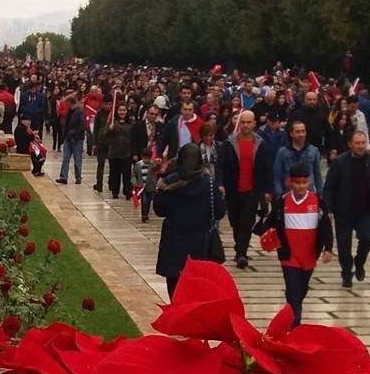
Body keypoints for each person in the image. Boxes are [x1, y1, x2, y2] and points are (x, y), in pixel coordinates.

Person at [260, 160, 333, 326]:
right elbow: (270, 222)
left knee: (302, 288)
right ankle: (295, 318)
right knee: (293, 289)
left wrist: (328, 248)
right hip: (288, 255)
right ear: (290, 182)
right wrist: (267, 235)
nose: (300, 186)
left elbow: (326, 227)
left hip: (309, 254)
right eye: (297, 182)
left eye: (304, 182)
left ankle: (294, 307)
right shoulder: (282, 202)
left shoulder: (318, 202)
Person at [153, 142, 227, 298]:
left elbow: (159, 210)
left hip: (174, 244)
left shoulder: (169, 182)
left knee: (175, 293)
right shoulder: (209, 184)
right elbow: (219, 212)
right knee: (198, 292)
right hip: (200, 245)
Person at [323, 130, 370, 289]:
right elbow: (329, 187)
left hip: (365, 210)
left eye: (362, 143)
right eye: (357, 143)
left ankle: (359, 262)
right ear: (350, 144)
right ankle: (346, 273)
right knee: (344, 245)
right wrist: (328, 209)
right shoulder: (339, 162)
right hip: (343, 210)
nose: (360, 146)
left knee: (367, 238)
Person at [218, 109, 270, 270]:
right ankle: (239, 246)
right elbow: (221, 166)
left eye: (249, 122)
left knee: (246, 222)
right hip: (233, 190)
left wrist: (267, 190)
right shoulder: (229, 144)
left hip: (252, 190)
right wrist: (220, 183)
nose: (246, 125)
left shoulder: (261, 144)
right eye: (243, 122)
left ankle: (242, 253)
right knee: (235, 221)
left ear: (254, 124)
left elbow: (266, 168)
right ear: (238, 123)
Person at [106, 100, 135, 199]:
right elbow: (105, 136)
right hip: (114, 152)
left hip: (127, 152)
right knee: (115, 173)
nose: (122, 112)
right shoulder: (112, 122)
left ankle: (127, 191)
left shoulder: (131, 123)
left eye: (124, 110)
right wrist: (110, 129)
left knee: (127, 173)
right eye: (120, 110)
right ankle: (115, 191)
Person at [56, 93, 86, 185]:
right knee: (66, 158)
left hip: (76, 139)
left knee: (77, 159)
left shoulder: (80, 111)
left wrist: (75, 136)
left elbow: (81, 126)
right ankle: (63, 177)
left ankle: (78, 177)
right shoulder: (69, 111)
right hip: (68, 138)